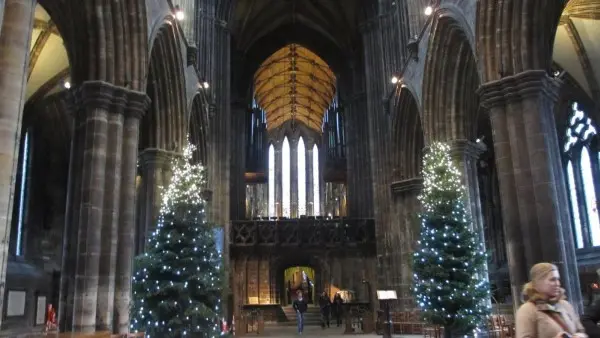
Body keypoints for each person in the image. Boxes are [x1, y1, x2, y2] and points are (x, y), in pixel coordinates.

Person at [516, 262, 587, 338]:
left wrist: (579, 336)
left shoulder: (565, 305)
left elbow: (581, 330)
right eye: (552, 280)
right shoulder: (527, 310)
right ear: (538, 283)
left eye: (558, 279)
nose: (558, 283)